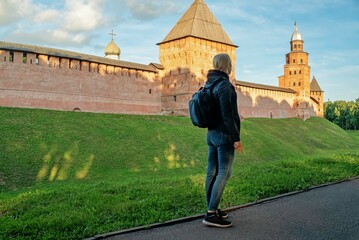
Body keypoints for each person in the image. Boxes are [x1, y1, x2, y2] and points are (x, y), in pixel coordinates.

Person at [202, 53, 242, 228]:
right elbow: (228, 115)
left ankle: (212, 209)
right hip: (223, 135)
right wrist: (236, 138)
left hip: (211, 134)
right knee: (224, 173)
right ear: (227, 65)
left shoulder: (209, 83)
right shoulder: (224, 85)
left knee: (212, 172)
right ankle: (211, 214)